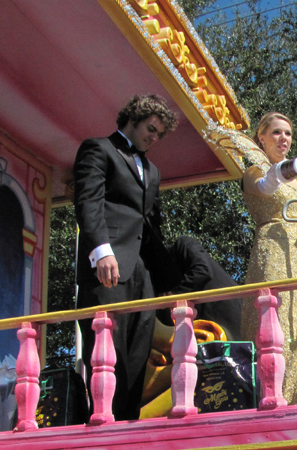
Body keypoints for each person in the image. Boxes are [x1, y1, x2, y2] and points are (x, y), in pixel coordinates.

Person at [73, 94, 177, 421]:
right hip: (107, 265)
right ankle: (105, 424)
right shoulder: (98, 149)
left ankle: (129, 426)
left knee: (138, 352)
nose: (154, 138)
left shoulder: (153, 170)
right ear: (132, 119)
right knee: (108, 348)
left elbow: (152, 225)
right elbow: (88, 203)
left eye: (159, 134)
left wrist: (167, 278)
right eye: (150, 129)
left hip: (141, 272)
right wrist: (100, 250)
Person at [232, 112, 297, 404]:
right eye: (277, 133)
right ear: (261, 137)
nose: (284, 139)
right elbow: (264, 187)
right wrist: (282, 172)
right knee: (278, 320)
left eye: (288, 133)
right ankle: (275, 395)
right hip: (273, 250)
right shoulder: (254, 169)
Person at [155, 235, 242, 341]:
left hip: (229, 318)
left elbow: (203, 270)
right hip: (216, 330)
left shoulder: (182, 245)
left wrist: (173, 295)